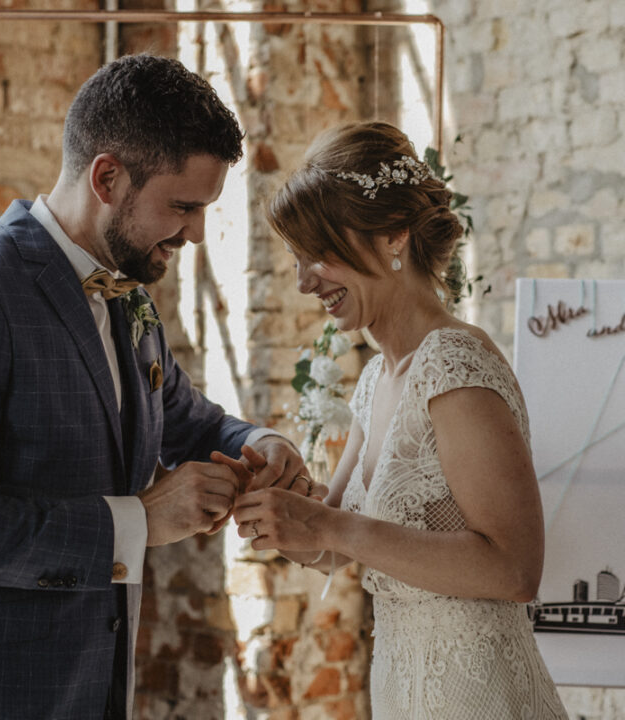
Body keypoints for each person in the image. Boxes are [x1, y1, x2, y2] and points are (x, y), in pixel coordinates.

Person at [0, 54, 314, 720]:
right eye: (184, 206)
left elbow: (182, 416)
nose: (198, 234)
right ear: (108, 177)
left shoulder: (126, 293)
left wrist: (261, 442)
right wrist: (140, 521)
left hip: (85, 688)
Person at [233, 121, 569, 719]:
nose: (306, 281)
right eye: (298, 260)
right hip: (401, 689)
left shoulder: (454, 365)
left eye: (321, 255)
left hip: (478, 697)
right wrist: (277, 509)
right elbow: (332, 544)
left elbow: (515, 569)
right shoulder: (376, 380)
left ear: (392, 239)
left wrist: (331, 529)